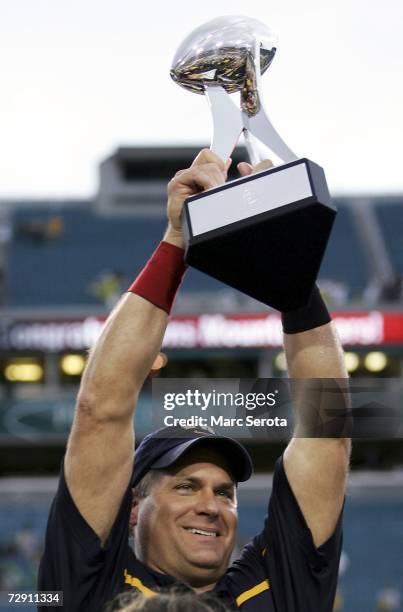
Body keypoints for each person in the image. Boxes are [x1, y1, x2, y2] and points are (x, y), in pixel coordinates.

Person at [38, 150, 351, 611]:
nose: (211, 505)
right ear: (131, 511)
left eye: (225, 494)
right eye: (185, 486)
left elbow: (329, 435)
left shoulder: (279, 589)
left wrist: (292, 266)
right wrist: (177, 241)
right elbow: (100, 410)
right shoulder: (85, 588)